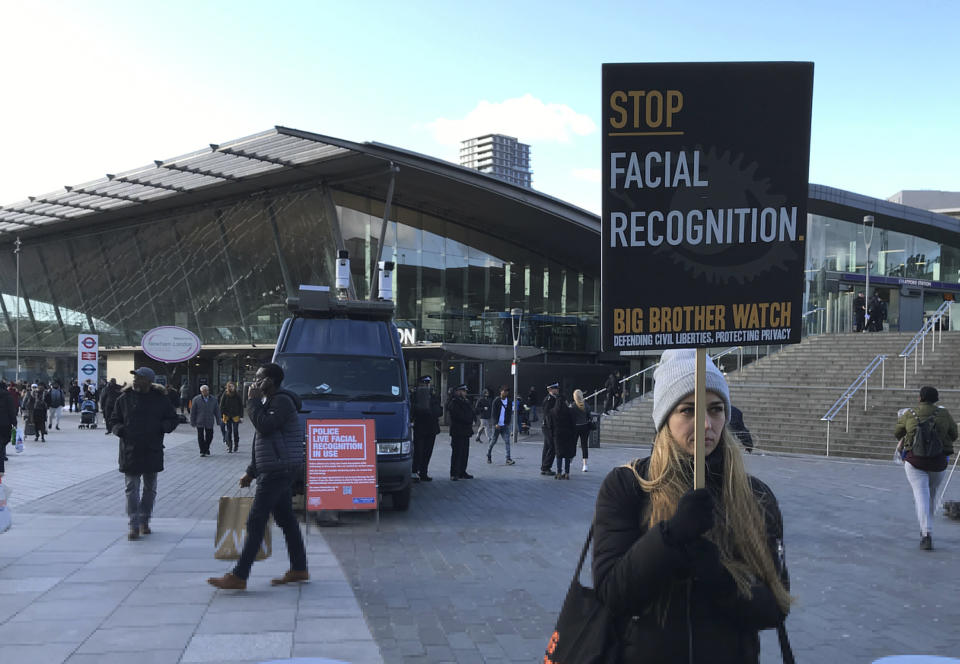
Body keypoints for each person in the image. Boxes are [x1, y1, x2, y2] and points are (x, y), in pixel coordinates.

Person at [593, 349, 791, 662]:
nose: (706, 425)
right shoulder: (628, 486)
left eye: (715, 410)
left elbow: (774, 608)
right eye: (688, 410)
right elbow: (614, 594)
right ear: (665, 418)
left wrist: (719, 576)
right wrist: (668, 538)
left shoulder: (756, 496)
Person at [207, 362, 308, 590]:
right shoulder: (270, 401)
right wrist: (251, 472)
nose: (255, 382)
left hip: (278, 470)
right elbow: (263, 442)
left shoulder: (281, 401)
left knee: (256, 520)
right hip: (275, 468)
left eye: (259, 378)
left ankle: (239, 575)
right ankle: (299, 569)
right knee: (286, 520)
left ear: (270, 381)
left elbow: (264, 427)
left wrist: (251, 402)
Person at [109, 367, 179, 540]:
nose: (135, 380)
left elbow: (172, 418)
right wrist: (121, 431)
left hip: (152, 449)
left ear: (148, 381)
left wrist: (162, 428)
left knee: (150, 488)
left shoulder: (160, 400)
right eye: (134, 377)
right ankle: (133, 524)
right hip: (130, 450)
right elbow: (113, 420)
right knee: (131, 488)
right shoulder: (124, 398)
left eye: (139, 378)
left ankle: (144, 520)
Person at [894, 386, 957, 550]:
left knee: (920, 495)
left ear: (920, 398)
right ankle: (927, 529)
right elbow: (954, 434)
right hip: (938, 461)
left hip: (915, 461)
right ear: (936, 399)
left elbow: (897, 432)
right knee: (931, 495)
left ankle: (926, 533)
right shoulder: (943, 413)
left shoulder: (910, 413)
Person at [411, 376, 441, 481]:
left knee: (428, 451)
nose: (427, 385)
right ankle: (414, 472)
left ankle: (423, 472)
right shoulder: (415, 395)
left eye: (428, 383)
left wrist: (433, 411)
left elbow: (439, 410)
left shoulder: (433, 395)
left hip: (431, 427)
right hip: (420, 426)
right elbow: (412, 410)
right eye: (424, 383)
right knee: (418, 451)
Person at [447, 383, 474, 481]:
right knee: (457, 453)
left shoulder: (466, 401)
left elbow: (471, 412)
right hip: (458, 431)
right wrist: (468, 419)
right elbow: (458, 415)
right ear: (458, 392)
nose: (465, 393)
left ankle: (462, 471)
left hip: (466, 431)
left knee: (464, 452)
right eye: (463, 391)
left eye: (465, 391)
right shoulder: (454, 402)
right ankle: (454, 473)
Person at [486, 385, 516, 465]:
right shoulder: (496, 401)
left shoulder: (509, 401)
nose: (506, 392)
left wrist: (508, 422)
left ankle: (508, 458)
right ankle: (488, 454)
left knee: (507, 441)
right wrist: (495, 423)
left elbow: (510, 412)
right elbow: (493, 413)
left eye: (507, 391)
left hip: (505, 425)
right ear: (501, 391)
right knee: (493, 441)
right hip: (497, 426)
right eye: (504, 391)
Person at [551, 391, 577, 479]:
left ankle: (558, 473)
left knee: (559, 454)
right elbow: (573, 423)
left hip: (557, 434)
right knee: (567, 454)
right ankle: (567, 473)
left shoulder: (553, 411)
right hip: (568, 434)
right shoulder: (570, 411)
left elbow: (551, 424)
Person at [190, 385, 221, 457]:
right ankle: (202, 451)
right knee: (200, 436)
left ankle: (206, 448)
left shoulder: (213, 399)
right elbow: (193, 411)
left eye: (207, 390)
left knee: (210, 436)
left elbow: (217, 411)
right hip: (199, 420)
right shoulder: (196, 399)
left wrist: (219, 420)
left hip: (209, 420)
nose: (205, 392)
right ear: (201, 392)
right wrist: (192, 421)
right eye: (204, 391)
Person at [540, 382, 560, 476]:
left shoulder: (553, 399)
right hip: (548, 426)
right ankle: (546, 467)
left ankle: (544, 467)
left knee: (547, 447)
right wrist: (551, 427)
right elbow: (547, 415)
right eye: (555, 388)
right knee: (552, 446)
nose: (557, 390)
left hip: (548, 426)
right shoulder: (549, 400)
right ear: (550, 390)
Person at [571, 389, 592, 472]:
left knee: (573, 444)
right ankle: (585, 465)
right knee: (584, 446)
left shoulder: (573, 405)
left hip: (576, 427)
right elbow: (589, 416)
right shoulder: (586, 405)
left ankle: (570, 460)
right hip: (585, 427)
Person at [219, 381, 244, 453]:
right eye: (230, 386)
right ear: (228, 387)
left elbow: (241, 406)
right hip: (227, 415)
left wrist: (241, 416)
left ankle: (236, 444)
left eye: (232, 386)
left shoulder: (237, 395)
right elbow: (221, 405)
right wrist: (221, 415)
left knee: (235, 431)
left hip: (235, 415)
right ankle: (230, 446)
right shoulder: (225, 394)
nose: (231, 387)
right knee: (229, 431)